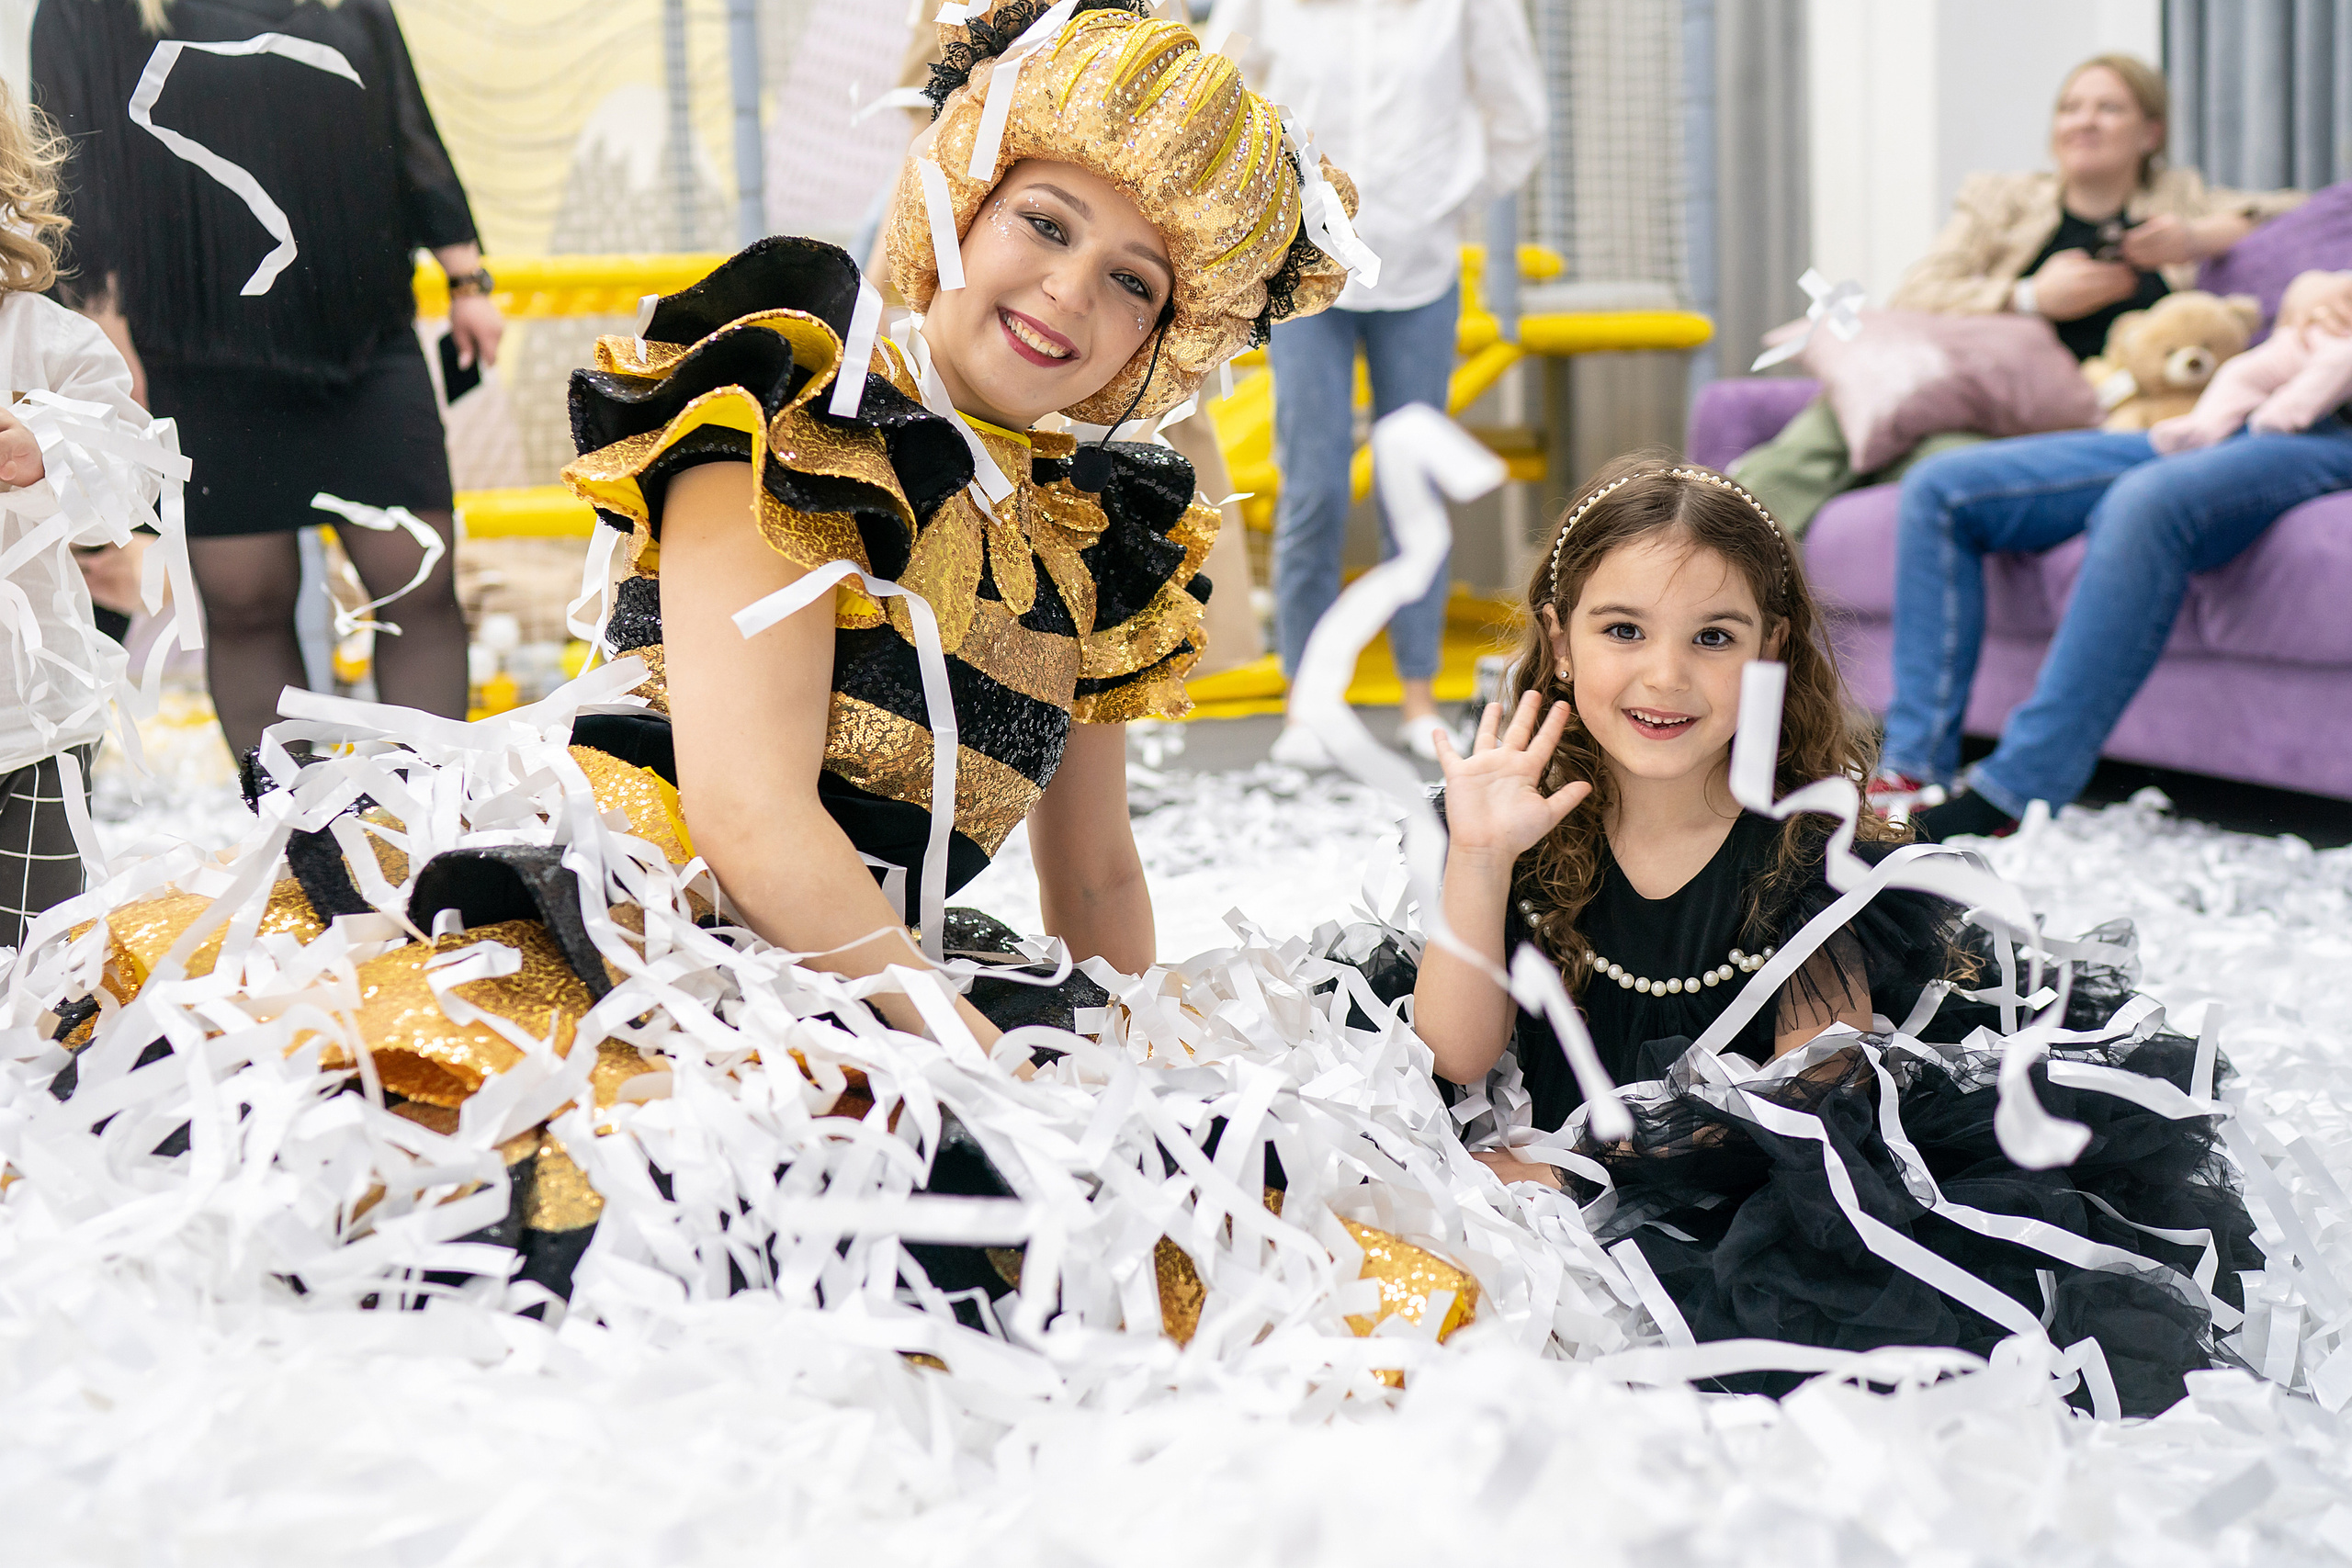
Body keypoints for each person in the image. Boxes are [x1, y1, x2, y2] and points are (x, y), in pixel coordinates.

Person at [1411, 459, 2256, 1414]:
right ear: (1559, 642)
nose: (1664, 674)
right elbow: (1453, 1055)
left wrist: (1572, 1174)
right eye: (1621, 630)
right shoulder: (1512, 828)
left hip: (1732, 1191)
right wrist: (1479, 857)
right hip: (1540, 1164)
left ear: (1770, 650)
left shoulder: (1809, 854)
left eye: (1713, 637)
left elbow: (1809, 1105)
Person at [32, 0, 503, 761]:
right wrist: (108, 337)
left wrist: (466, 276)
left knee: (416, 582)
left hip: (363, 336)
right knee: (247, 606)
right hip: (193, 353)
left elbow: (403, 119)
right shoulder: (85, 9)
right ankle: (303, 849)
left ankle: (433, 835)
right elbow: (74, 174)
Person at [1730, 53, 2301, 537]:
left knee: (1941, 465)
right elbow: (1916, 293)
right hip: (1981, 389)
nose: (2085, 122)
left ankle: (1742, 526)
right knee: (1854, 410)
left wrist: (2195, 238)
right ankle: (1725, 533)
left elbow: (2306, 211)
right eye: (2070, 107)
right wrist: (2030, 297)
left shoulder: (2181, 198)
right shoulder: (2001, 199)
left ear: (2150, 133)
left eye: (2108, 108)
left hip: (2067, 420)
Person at [1875, 266, 2352, 840]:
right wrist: (2312, 301)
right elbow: (2304, 291)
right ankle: (1910, 769)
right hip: (2231, 415)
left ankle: (2013, 791)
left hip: (2327, 432)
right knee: (1940, 488)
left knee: (2144, 502)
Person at [1212, 0, 1545, 762]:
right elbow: (1217, 87)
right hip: (1305, 268)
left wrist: (1449, 204)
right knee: (1314, 485)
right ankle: (1306, 698)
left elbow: (1518, 115)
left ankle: (1418, 693)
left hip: (1420, 271)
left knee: (1414, 489)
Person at [0, 85, 159, 949]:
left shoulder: (45, 340)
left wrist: (49, 449)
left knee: (39, 967)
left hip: (34, 724)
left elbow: (134, 479)